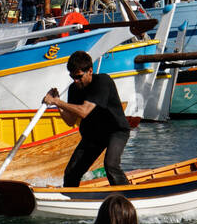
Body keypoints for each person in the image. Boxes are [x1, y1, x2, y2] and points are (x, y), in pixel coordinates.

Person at [44, 50, 131, 187]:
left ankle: (126, 197)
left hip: (116, 131)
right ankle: (72, 202)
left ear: (90, 71)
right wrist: (58, 103)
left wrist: (56, 102)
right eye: (73, 77)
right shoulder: (74, 89)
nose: (76, 81)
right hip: (93, 135)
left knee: (110, 165)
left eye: (79, 77)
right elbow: (70, 121)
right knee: (71, 173)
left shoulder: (102, 82)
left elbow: (84, 112)